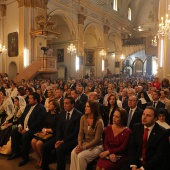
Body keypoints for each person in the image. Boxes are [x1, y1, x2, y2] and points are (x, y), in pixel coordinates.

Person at [41, 97, 82, 170]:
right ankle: (44, 167)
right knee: (45, 146)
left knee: (60, 149)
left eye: (67, 103)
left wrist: (62, 141)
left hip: (72, 139)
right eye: (64, 103)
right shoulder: (62, 113)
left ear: (72, 105)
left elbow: (75, 133)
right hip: (61, 138)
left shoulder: (78, 115)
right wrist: (58, 140)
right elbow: (59, 128)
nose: (64, 105)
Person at [8, 92, 46, 167]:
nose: (28, 100)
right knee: (14, 132)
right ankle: (16, 152)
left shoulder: (41, 108)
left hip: (34, 129)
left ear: (36, 100)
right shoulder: (28, 106)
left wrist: (27, 129)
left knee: (25, 136)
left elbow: (38, 122)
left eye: (30, 98)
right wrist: (19, 125)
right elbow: (22, 117)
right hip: (25, 127)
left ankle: (25, 158)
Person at [70, 100, 104, 170]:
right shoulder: (83, 118)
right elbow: (80, 133)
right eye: (85, 106)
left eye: (88, 106)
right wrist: (79, 145)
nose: (85, 108)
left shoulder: (99, 121)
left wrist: (84, 148)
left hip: (96, 146)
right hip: (84, 143)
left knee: (81, 156)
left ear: (93, 108)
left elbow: (97, 139)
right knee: (73, 153)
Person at [31, 100, 61, 169]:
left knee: (39, 143)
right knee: (33, 141)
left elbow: (57, 129)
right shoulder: (47, 114)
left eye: (51, 104)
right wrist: (43, 129)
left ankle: (43, 160)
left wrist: (46, 130)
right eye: (49, 104)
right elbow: (43, 124)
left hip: (53, 134)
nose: (49, 105)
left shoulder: (58, 116)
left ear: (55, 106)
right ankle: (39, 158)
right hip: (45, 133)